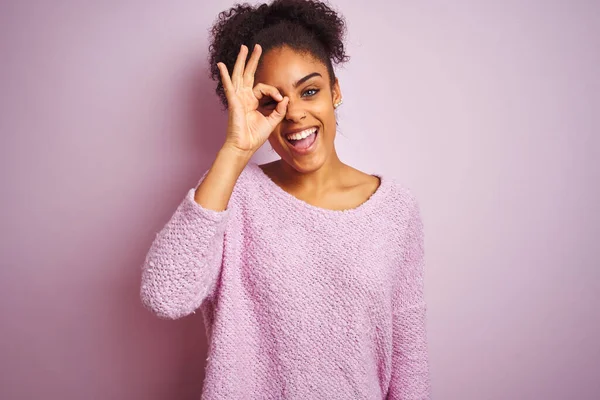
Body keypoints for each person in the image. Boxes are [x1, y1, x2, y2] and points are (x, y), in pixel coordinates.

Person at [140, 0, 431, 398]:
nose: (293, 114)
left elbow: (409, 361)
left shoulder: (395, 209)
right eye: (272, 102)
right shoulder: (235, 196)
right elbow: (166, 294)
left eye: (309, 91)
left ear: (335, 91)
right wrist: (235, 150)